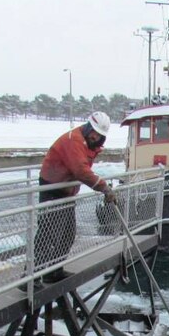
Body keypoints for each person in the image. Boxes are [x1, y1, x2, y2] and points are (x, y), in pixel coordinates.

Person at [32, 111, 117, 283]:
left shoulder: (89, 144)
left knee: (67, 234)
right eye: (94, 132)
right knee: (48, 233)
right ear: (88, 128)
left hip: (67, 191)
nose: (96, 137)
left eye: (99, 135)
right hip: (52, 187)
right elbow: (80, 170)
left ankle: (54, 271)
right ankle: (30, 277)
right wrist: (104, 187)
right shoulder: (74, 141)